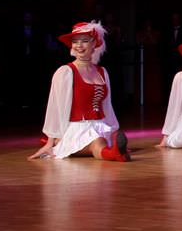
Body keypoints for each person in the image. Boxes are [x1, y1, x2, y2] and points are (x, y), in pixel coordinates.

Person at [30, 22, 130, 162]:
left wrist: (113, 130)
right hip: (76, 129)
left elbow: (107, 106)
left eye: (84, 41)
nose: (79, 46)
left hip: (100, 125)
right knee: (97, 142)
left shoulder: (102, 72)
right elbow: (55, 108)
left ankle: (114, 150)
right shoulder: (65, 72)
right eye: (75, 42)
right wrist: (50, 141)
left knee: (102, 139)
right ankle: (113, 154)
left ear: (94, 43)